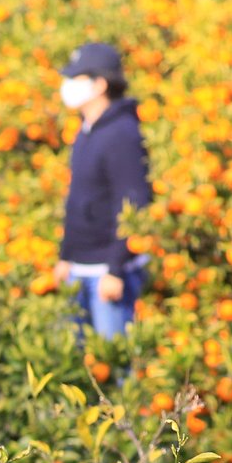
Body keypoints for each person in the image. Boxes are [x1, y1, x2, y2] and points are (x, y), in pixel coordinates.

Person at [53, 42, 152, 339]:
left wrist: (116, 269)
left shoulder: (121, 133)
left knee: (115, 362)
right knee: (78, 362)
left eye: (77, 78)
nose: (68, 86)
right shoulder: (86, 129)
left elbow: (133, 202)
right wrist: (66, 255)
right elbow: (79, 199)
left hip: (106, 271)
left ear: (100, 85)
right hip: (79, 265)